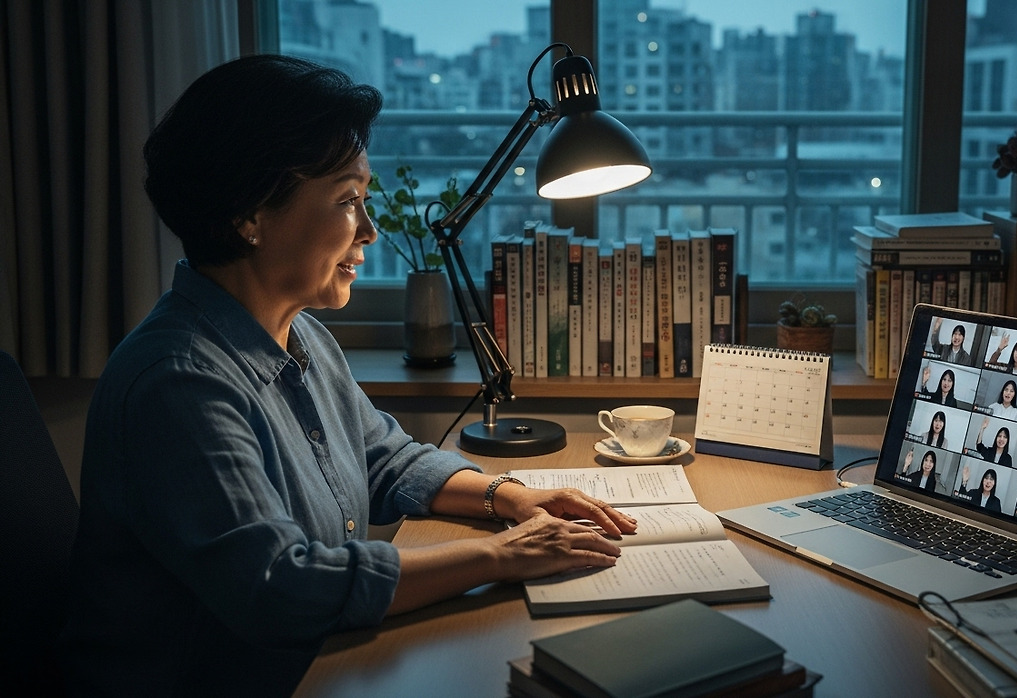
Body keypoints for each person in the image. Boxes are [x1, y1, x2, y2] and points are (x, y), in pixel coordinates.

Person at [58, 55, 638, 696]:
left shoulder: (300, 333)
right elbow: (280, 584)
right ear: (249, 215)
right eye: (347, 200)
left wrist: (508, 497)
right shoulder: (179, 382)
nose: (370, 229)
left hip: (314, 663)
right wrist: (500, 556)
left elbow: (383, 459)